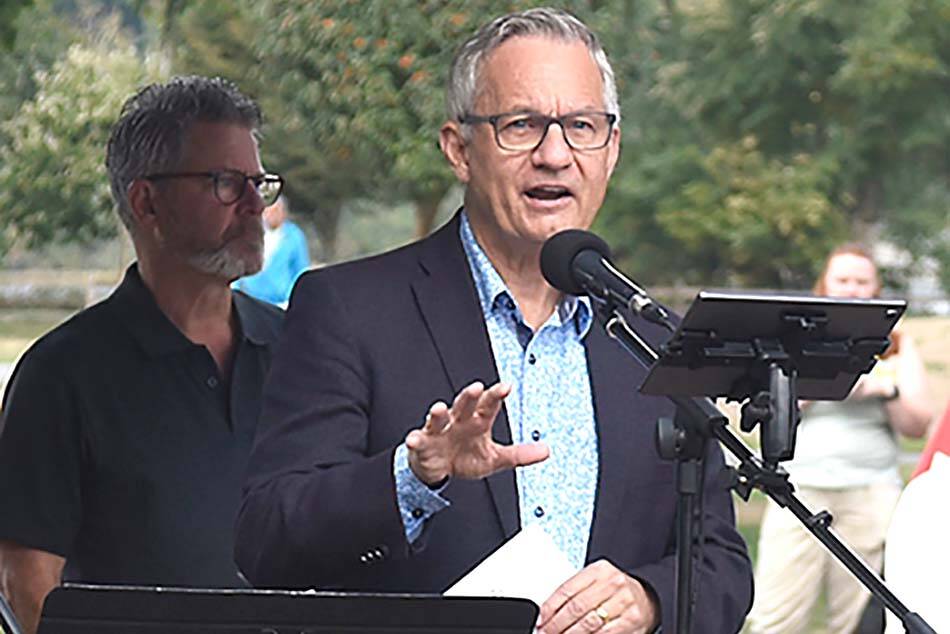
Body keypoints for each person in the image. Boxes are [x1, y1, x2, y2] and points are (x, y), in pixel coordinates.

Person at [236, 8, 752, 634]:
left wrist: (648, 601)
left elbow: (720, 563)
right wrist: (413, 475)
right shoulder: (347, 310)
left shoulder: (656, 341)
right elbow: (266, 540)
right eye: (522, 125)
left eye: (581, 126)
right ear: (459, 149)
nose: (555, 154)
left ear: (611, 150)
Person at [0, 75, 285, 634]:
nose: (254, 206)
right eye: (227, 183)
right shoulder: (61, 377)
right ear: (147, 202)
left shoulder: (303, 352)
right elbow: (28, 585)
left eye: (259, 182)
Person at [747, 244, 933, 634]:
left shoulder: (894, 342)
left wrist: (885, 391)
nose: (852, 289)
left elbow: (918, 424)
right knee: (775, 617)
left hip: (870, 493)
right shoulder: (795, 338)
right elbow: (767, 411)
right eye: (843, 279)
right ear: (824, 285)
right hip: (798, 490)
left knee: (857, 621)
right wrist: (832, 384)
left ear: (875, 289)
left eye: (862, 281)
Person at [232, 195, 310, 307]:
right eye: (268, 210)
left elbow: (301, 271)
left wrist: (292, 299)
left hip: (280, 303)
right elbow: (238, 264)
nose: (271, 214)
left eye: (276, 210)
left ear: (283, 213)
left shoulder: (294, 236)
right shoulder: (253, 233)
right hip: (250, 301)